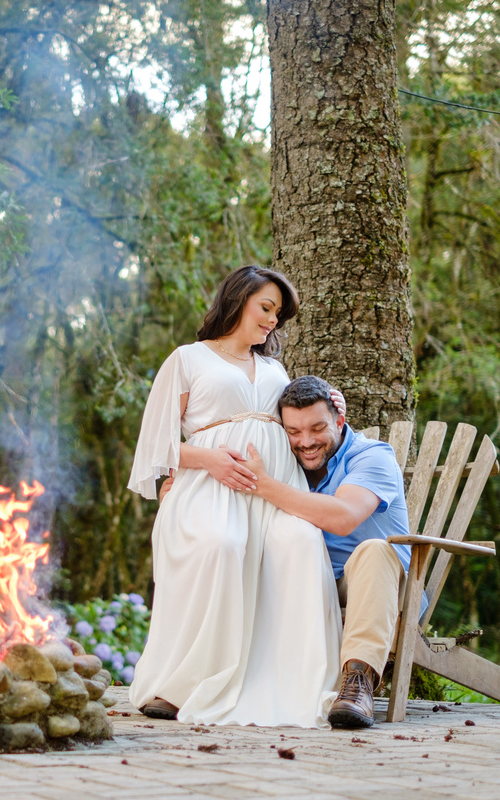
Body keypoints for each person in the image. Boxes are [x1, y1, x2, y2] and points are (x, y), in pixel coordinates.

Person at [126, 265, 342, 728]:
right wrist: (209, 460)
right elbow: (154, 444)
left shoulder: (275, 368)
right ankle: (180, 685)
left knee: (302, 544)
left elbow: (299, 426)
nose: (272, 321)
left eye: (278, 314)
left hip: (272, 493)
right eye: (266, 307)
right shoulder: (187, 359)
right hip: (209, 489)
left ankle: (295, 683)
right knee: (221, 544)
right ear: (238, 298)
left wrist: (331, 404)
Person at [238, 375, 410, 729]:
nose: (306, 442)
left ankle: (358, 684)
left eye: (318, 428)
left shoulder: (372, 457)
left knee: (374, 550)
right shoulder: (287, 462)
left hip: (375, 582)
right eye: (294, 432)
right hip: (313, 581)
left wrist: (266, 486)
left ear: (339, 421)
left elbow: (343, 518)